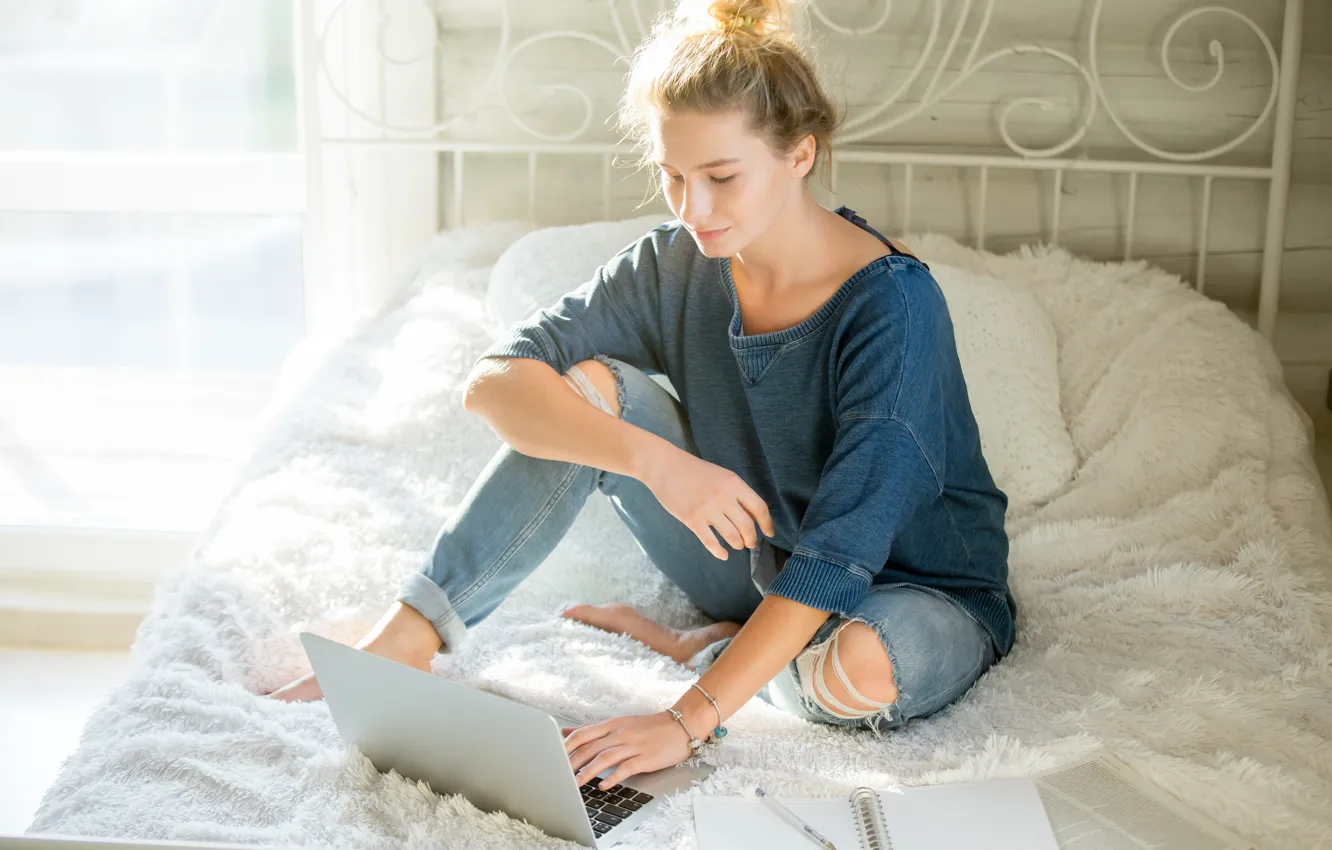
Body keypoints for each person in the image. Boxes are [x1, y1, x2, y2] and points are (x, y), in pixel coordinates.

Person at [266, 0, 1016, 794]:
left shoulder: (893, 310)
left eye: (722, 178)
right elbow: (496, 380)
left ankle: (720, 652)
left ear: (800, 154)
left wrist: (686, 718)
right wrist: (656, 463)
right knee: (586, 393)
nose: (694, 210)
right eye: (673, 177)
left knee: (864, 668)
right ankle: (407, 638)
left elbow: (842, 552)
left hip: (914, 594)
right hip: (759, 555)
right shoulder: (676, 263)